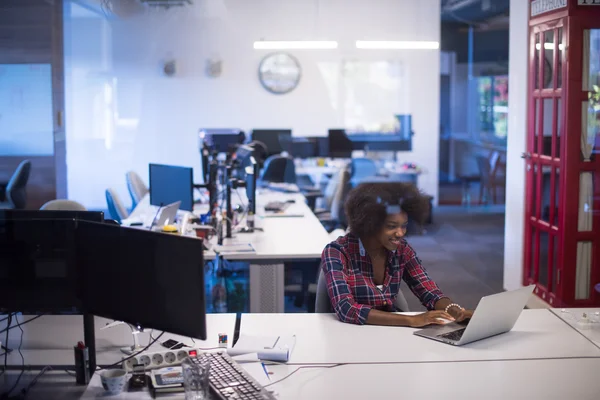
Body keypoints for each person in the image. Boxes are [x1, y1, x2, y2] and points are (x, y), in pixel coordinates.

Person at [321, 182, 473, 327]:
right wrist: (411, 320)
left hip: (392, 334)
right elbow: (346, 309)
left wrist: (455, 311)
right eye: (391, 226)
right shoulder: (337, 252)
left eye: (404, 226)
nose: (400, 233)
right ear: (370, 223)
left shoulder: (402, 250)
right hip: (349, 336)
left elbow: (429, 291)